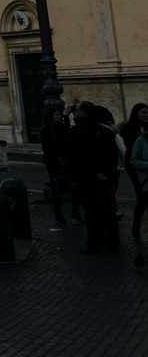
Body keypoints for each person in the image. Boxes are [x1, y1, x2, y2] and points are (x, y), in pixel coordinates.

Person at [68, 102, 119, 254]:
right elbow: (113, 156)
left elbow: (77, 158)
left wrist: (94, 173)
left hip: (86, 177)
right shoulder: (106, 131)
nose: (74, 113)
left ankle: (93, 243)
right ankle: (113, 242)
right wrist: (106, 174)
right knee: (107, 209)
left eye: (76, 110)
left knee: (91, 210)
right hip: (104, 177)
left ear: (83, 113)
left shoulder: (75, 132)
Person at [38, 107, 70, 229]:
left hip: (56, 163)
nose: (58, 116)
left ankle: (60, 215)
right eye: (56, 115)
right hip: (56, 164)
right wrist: (66, 116)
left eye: (59, 114)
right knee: (57, 189)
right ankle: (59, 215)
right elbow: (64, 131)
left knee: (58, 189)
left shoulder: (51, 129)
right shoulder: (49, 130)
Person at [121, 103, 148, 240]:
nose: (146, 115)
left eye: (147, 113)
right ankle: (136, 226)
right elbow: (132, 151)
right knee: (142, 198)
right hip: (136, 167)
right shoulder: (129, 129)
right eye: (143, 112)